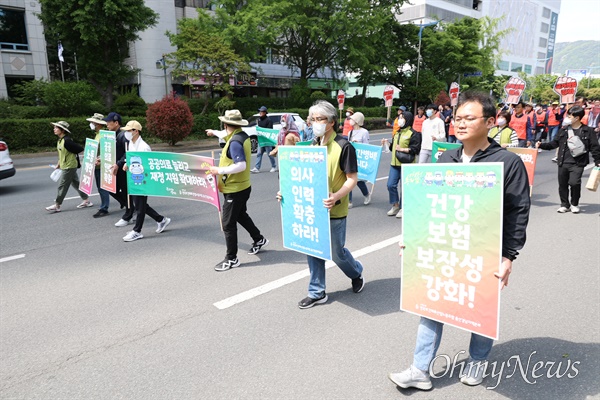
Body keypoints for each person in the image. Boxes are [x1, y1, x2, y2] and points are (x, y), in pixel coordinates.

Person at [389, 91, 531, 391]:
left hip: (483, 250)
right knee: (431, 302)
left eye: (469, 118)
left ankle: (477, 360)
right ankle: (420, 369)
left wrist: (508, 257)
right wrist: (414, 239)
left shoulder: (507, 162)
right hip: (444, 246)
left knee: (481, 306)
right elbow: (429, 204)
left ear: (490, 122)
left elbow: (518, 212)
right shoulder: (446, 157)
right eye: (458, 118)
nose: (461, 123)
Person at [284, 100, 364, 309]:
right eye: (312, 119)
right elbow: (301, 177)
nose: (314, 123)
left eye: (319, 119)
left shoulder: (344, 146)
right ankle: (317, 292)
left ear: (331, 122)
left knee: (337, 253)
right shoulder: (312, 146)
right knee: (313, 249)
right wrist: (286, 193)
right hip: (312, 209)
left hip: (334, 210)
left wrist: (336, 196)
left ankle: (355, 271)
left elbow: (352, 179)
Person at [206, 110, 268, 271]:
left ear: (226, 124)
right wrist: (213, 133)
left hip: (235, 189)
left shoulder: (235, 142)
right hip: (242, 186)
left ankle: (231, 258)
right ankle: (259, 238)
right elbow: (223, 135)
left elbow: (241, 165)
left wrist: (218, 171)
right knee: (240, 215)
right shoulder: (241, 135)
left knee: (228, 223)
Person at [537, 105, 600, 214]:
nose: (567, 118)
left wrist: (597, 161)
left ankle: (574, 203)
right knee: (563, 184)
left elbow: (594, 147)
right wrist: (541, 145)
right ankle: (564, 204)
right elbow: (554, 144)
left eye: (570, 116)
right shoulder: (564, 130)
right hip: (563, 161)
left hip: (578, 163)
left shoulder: (588, 131)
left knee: (574, 183)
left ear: (577, 118)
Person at [119, 121, 171, 241]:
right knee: (140, 204)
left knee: (139, 206)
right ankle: (161, 220)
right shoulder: (131, 144)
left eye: (128, 130)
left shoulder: (144, 147)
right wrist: (127, 164)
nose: (126, 133)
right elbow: (131, 158)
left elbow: (147, 164)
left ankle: (137, 231)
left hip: (143, 180)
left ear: (136, 131)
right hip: (134, 179)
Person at [45, 121, 93, 213]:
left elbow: (79, 149)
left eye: (56, 128)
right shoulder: (60, 140)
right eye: (54, 127)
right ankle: (86, 200)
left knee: (62, 185)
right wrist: (59, 163)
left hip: (69, 166)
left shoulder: (67, 141)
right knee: (75, 183)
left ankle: (57, 205)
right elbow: (62, 153)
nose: (54, 129)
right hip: (66, 165)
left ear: (62, 130)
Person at [382, 111, 421, 218]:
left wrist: (402, 149)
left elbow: (415, 149)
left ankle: (404, 207)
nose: (400, 120)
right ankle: (395, 205)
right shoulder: (397, 133)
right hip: (394, 164)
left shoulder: (414, 134)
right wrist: (387, 143)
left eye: (402, 118)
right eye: (399, 117)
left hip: (407, 164)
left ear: (407, 119)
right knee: (390, 185)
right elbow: (392, 148)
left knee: (405, 187)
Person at [105, 112, 135, 227]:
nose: (107, 124)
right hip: (116, 168)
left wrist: (118, 164)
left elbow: (128, 153)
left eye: (109, 122)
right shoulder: (112, 135)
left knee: (127, 192)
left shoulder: (123, 136)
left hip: (123, 169)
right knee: (111, 188)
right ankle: (130, 208)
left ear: (116, 123)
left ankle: (128, 215)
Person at [86, 113, 111, 218]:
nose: (91, 124)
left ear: (98, 124)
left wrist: (99, 159)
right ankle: (125, 203)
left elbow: (107, 150)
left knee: (103, 188)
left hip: (102, 165)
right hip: (96, 165)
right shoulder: (97, 134)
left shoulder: (104, 135)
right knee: (103, 188)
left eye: (93, 122)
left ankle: (104, 208)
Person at [347, 112, 371, 208]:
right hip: (351, 158)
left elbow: (367, 147)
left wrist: (358, 144)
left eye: (352, 119)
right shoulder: (350, 132)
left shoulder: (364, 132)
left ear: (357, 121)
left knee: (359, 180)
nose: (350, 121)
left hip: (360, 160)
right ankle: (349, 201)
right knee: (348, 178)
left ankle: (366, 194)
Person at [251, 106, 277, 173]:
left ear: (265, 112)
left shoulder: (269, 120)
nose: (260, 113)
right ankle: (257, 167)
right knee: (259, 153)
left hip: (267, 140)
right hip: (261, 139)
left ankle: (274, 166)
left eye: (261, 111)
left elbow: (269, 130)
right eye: (260, 111)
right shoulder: (259, 120)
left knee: (269, 153)